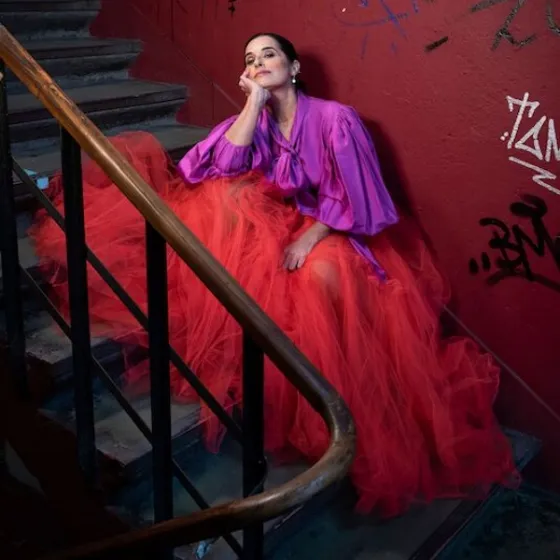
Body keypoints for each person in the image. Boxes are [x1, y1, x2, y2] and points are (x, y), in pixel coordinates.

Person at [30, 32, 518, 516]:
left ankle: (345, 411)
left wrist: (310, 238)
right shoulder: (256, 118)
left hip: (335, 225)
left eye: (269, 55)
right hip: (281, 222)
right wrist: (253, 103)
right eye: (250, 59)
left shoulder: (336, 119)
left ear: (294, 67)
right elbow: (220, 166)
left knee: (321, 279)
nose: (259, 62)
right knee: (225, 198)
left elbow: (356, 196)